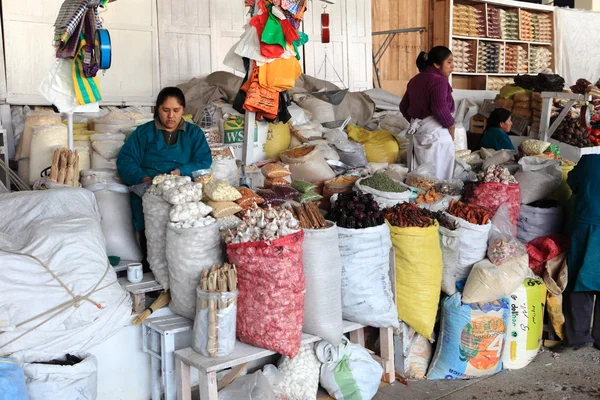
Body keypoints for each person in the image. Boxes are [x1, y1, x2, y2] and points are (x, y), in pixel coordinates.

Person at [117, 87, 212, 261]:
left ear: (183, 110)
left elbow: (203, 161)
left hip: (183, 196)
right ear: (157, 109)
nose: (171, 116)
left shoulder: (193, 134)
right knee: (153, 241)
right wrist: (143, 178)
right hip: (150, 193)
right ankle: (152, 268)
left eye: (176, 110)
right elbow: (126, 161)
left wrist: (181, 171)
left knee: (181, 243)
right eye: (165, 110)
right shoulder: (144, 133)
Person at [400, 46, 456, 180]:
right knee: (437, 178)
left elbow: (403, 106)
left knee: (420, 178)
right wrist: (451, 126)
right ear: (437, 64)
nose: (452, 66)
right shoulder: (439, 81)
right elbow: (440, 109)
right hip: (436, 136)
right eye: (449, 62)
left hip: (420, 134)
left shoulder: (415, 79)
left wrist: (419, 124)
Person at [562, 154, 600, 351]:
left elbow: (573, 183)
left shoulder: (589, 161)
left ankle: (578, 337)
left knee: (578, 280)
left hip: (587, 228)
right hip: (589, 224)